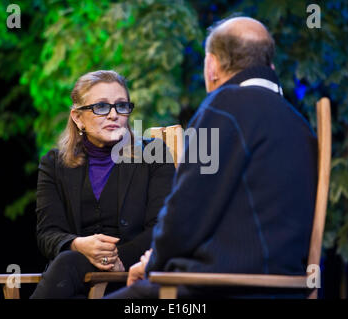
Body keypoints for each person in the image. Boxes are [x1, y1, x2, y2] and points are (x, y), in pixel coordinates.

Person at [105, 16, 318, 299]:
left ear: (212, 66)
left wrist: (152, 264)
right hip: (287, 288)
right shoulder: (300, 124)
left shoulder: (226, 105)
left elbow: (186, 212)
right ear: (270, 66)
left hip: (221, 287)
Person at [30, 70, 175, 298]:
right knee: (69, 260)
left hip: (129, 276)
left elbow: (161, 228)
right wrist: (78, 245)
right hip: (71, 281)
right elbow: (48, 234)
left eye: (121, 106)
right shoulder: (54, 164)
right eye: (101, 107)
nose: (113, 115)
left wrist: (116, 258)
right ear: (78, 117)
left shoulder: (153, 154)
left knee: (68, 262)